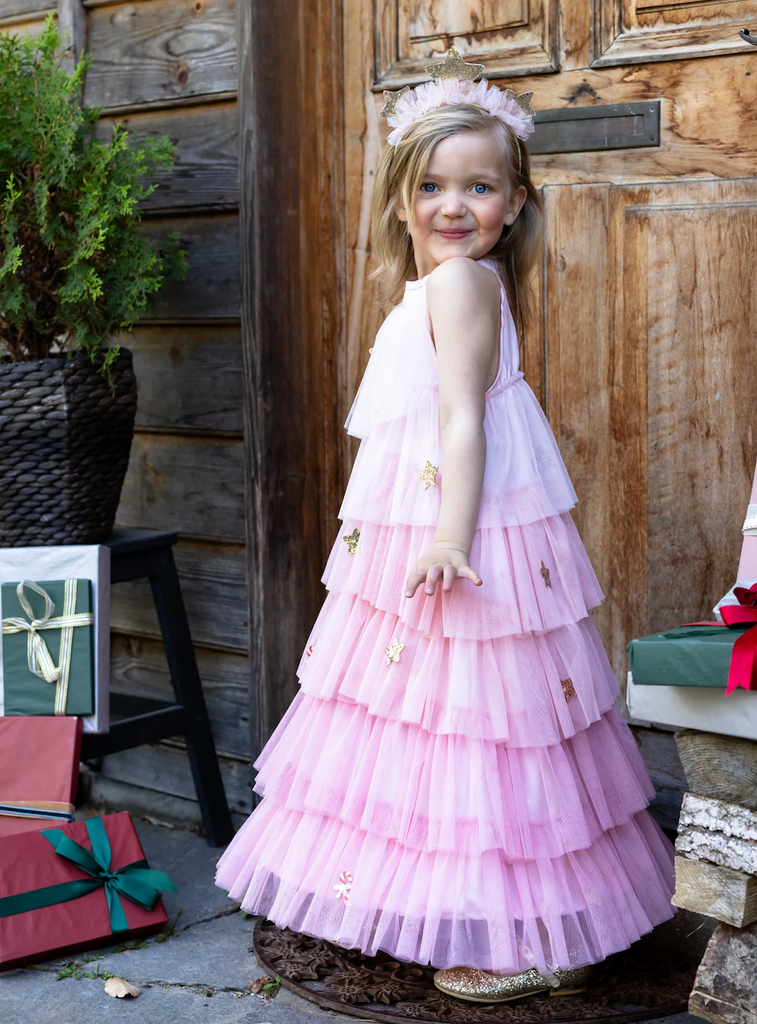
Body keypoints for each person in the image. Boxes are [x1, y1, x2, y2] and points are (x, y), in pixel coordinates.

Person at [215, 47, 676, 1004]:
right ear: (398, 198)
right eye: (431, 184)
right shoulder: (435, 288)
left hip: (460, 529)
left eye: (478, 186)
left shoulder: (464, 283)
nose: (452, 205)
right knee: (441, 722)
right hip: (436, 518)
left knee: (476, 720)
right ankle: (467, 902)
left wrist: (448, 538)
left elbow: (464, 417)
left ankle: (537, 932)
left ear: (513, 202)